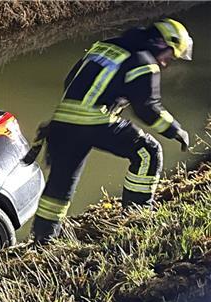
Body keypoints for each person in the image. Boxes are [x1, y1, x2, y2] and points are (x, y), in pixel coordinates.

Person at [31, 18, 193, 243]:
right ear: (160, 44)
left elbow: (71, 79)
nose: (166, 63)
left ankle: (43, 240)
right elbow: (147, 108)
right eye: (169, 56)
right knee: (148, 152)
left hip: (62, 121)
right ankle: (137, 218)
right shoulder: (144, 61)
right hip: (94, 119)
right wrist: (176, 130)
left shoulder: (106, 45)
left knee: (60, 186)